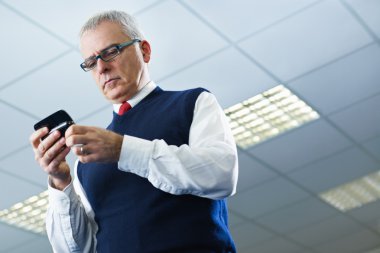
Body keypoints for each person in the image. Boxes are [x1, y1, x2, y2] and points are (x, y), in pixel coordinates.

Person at [29, 10, 238, 253]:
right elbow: (76, 249)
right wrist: (61, 181)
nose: (102, 68)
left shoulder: (193, 103)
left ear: (145, 51)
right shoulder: (85, 163)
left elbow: (221, 174)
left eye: (110, 52)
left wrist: (122, 150)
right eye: (91, 62)